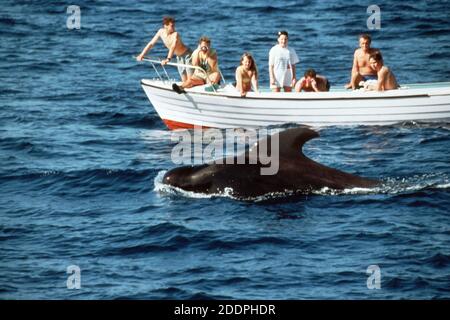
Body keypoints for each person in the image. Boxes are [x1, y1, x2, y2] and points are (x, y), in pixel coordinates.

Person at [136, 16, 192, 81]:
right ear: (165, 26)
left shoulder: (175, 34)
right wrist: (141, 55)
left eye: (174, 26)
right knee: (184, 79)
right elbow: (151, 44)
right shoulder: (160, 32)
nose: (174, 28)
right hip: (179, 57)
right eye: (172, 26)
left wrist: (168, 59)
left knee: (190, 79)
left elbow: (173, 47)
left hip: (187, 55)